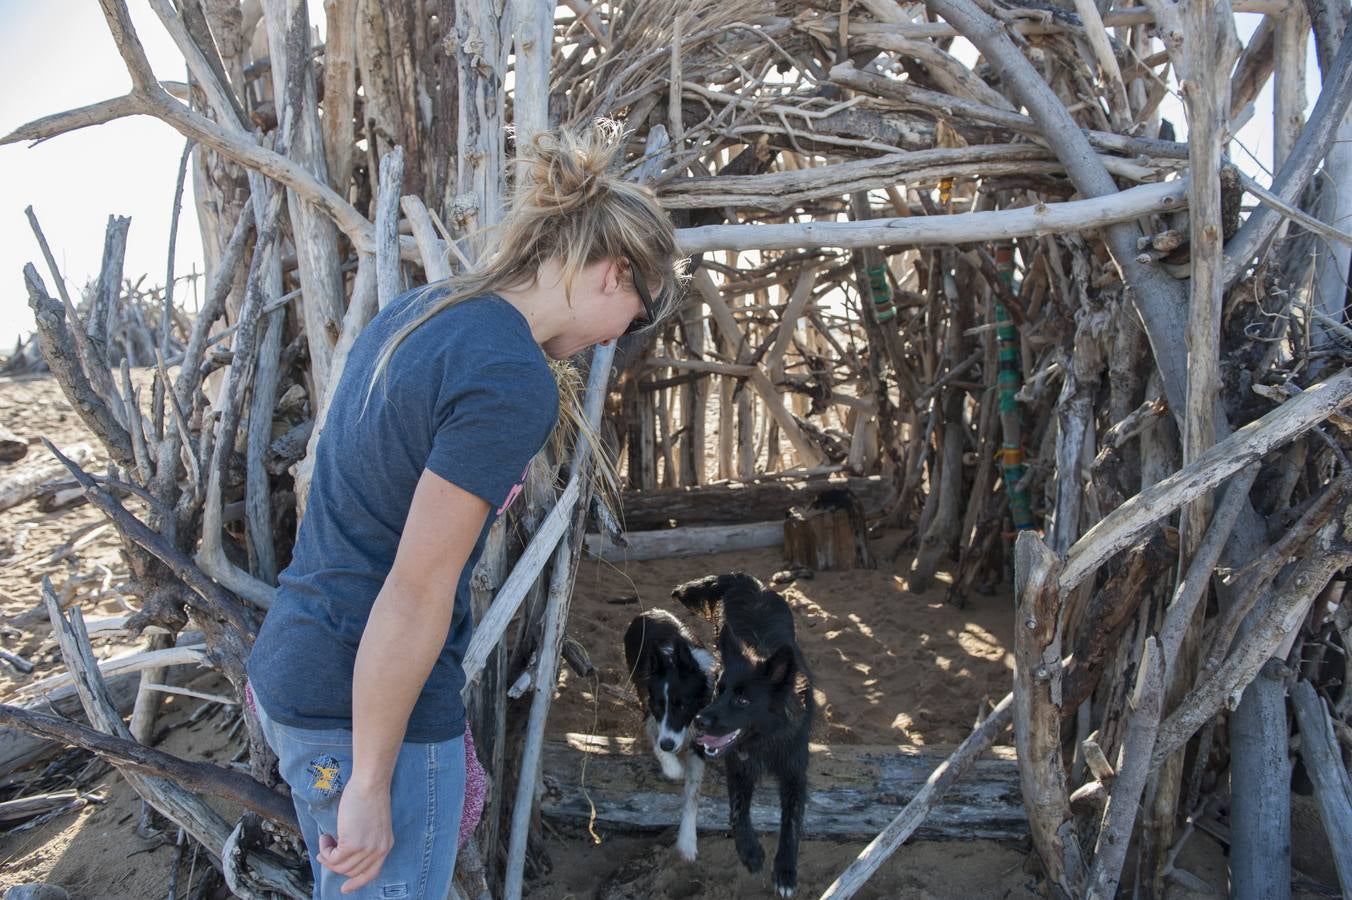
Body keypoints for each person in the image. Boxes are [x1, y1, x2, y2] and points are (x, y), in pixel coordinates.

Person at [246, 119, 686, 898]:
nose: (624, 335)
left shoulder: (424, 311)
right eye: (641, 316)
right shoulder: (510, 376)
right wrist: (375, 781)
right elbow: (415, 588)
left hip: (300, 662)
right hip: (364, 701)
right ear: (614, 274)